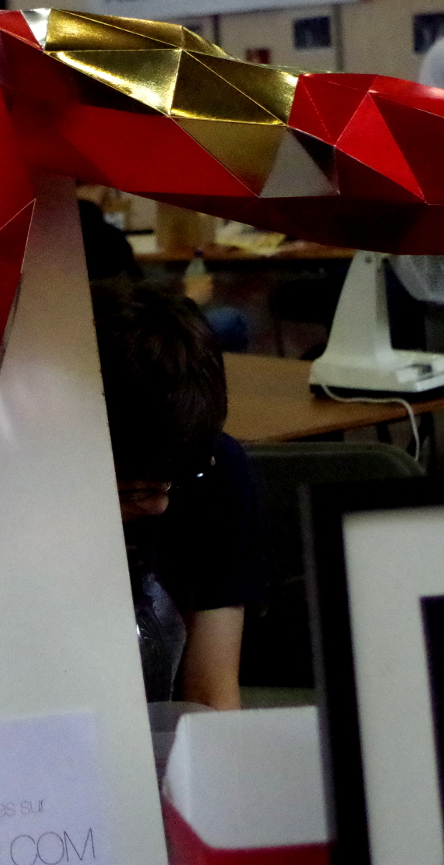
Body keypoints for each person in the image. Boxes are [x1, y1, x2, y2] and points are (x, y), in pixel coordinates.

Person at [91, 279, 265, 709]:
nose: (160, 504)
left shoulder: (217, 473)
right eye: (135, 486)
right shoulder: (21, 498)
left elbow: (210, 692)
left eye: (176, 478)